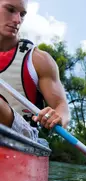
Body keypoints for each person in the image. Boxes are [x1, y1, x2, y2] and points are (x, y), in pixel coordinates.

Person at [0, 0, 70, 143]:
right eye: (10, 10)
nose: (17, 20)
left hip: (23, 137)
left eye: (22, 14)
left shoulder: (39, 59)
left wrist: (58, 117)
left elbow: (62, 108)